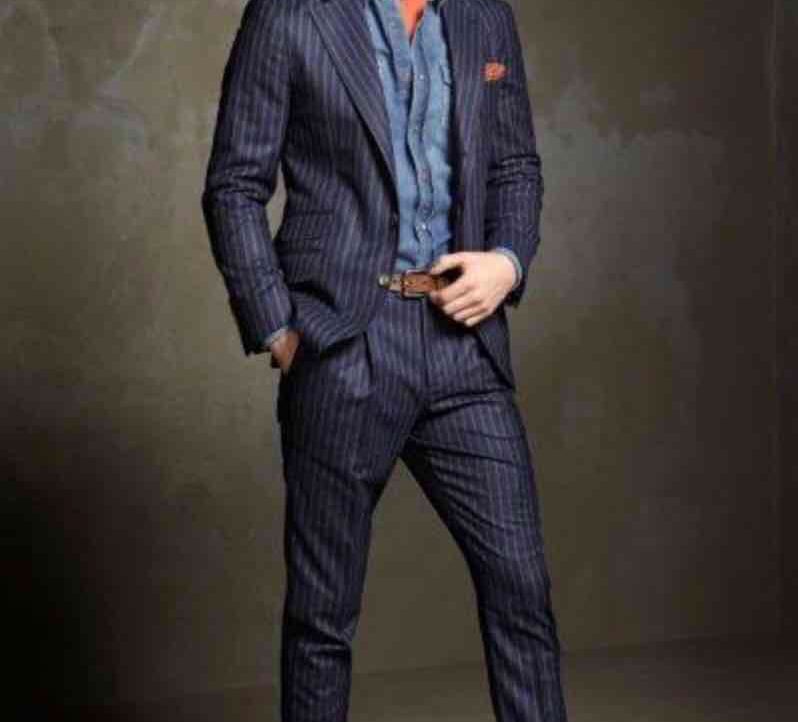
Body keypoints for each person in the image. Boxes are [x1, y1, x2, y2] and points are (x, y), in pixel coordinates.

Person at [201, 0, 568, 719]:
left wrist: (507, 262)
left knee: (521, 591)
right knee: (323, 617)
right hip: (345, 345)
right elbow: (234, 186)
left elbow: (516, 164)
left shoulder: (483, 14)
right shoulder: (291, 16)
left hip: (463, 345)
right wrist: (277, 327)